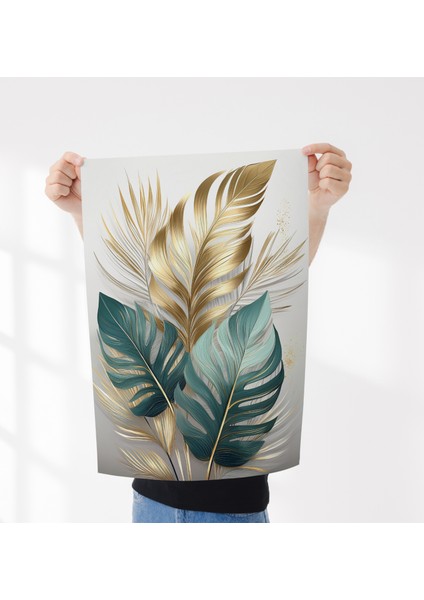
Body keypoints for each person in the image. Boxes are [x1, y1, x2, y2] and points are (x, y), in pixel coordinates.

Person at [45, 143, 352, 523]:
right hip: (150, 502)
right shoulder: (173, 315)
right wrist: (84, 212)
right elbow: (127, 300)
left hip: (233, 511)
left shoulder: (235, 315)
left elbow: (281, 284)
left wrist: (317, 208)